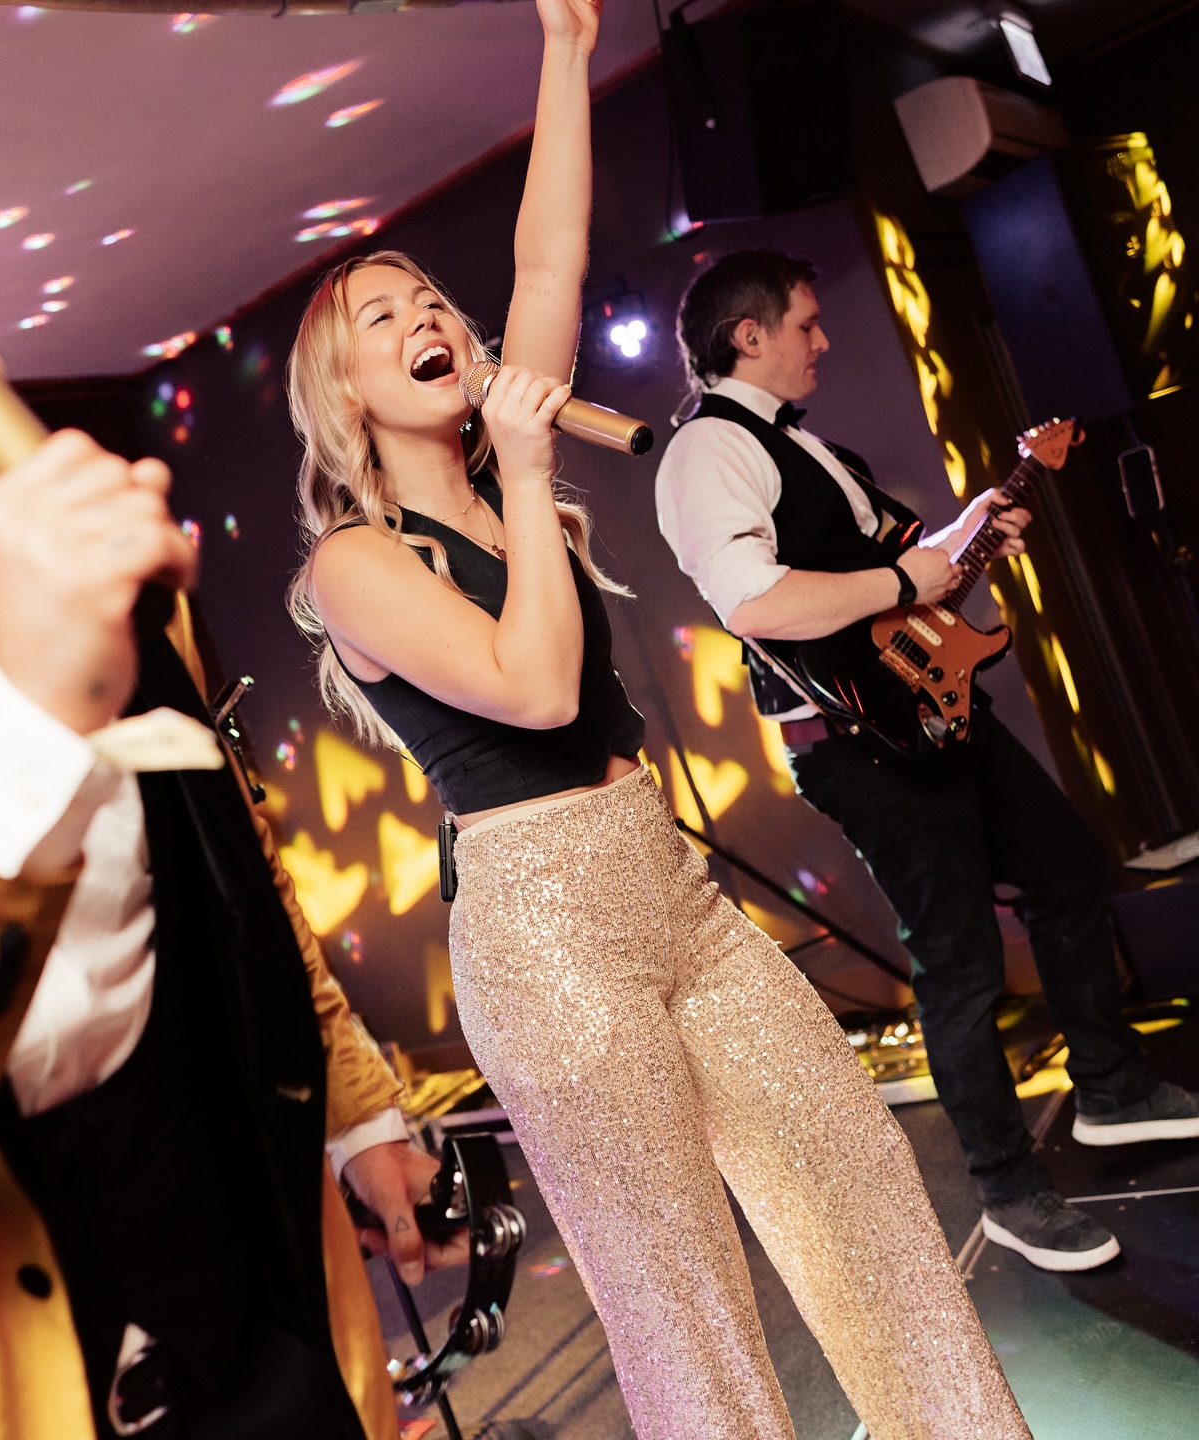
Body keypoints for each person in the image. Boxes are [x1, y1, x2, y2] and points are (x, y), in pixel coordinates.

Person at [285, 5, 1031, 1437]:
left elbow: (546, 258)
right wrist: (515, 461)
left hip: (672, 895)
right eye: (386, 319)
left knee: (859, 1186)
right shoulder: (354, 565)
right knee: (685, 1300)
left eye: (433, 301)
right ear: (345, 392)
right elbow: (536, 690)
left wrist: (565, 47)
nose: (430, 319)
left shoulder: (511, 482)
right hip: (545, 935)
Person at [0, 108, 455, 1440]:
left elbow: (239, 871)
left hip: (274, 1349)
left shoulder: (96, 586)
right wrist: (26, 716)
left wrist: (361, 1114)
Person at [655, 247, 1199, 1275]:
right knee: (960, 961)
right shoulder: (705, 454)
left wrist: (970, 535)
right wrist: (910, 572)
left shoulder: (810, 452)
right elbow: (758, 603)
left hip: (930, 712)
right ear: (748, 337)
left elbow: (904, 571)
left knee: (1069, 868)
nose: (822, 341)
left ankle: (1114, 1091)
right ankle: (1007, 1190)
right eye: (806, 325)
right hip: (864, 745)